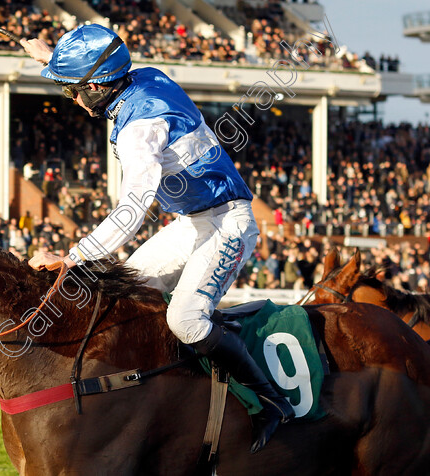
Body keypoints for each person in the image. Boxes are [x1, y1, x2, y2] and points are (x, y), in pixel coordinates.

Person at [22, 24, 294, 452]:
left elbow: (131, 211)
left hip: (229, 223)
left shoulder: (139, 130)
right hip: (192, 222)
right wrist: (51, 57)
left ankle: (270, 401)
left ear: (96, 86)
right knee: (125, 300)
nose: (72, 100)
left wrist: (73, 257)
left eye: (73, 91)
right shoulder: (141, 75)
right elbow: (97, 65)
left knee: (184, 321)